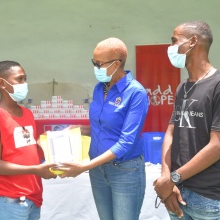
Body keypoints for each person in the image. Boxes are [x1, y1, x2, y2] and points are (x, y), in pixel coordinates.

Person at [153, 21, 220, 219]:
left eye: (174, 41)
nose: (170, 48)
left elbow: (218, 146)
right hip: (176, 192)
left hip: (207, 197)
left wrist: (174, 177)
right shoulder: (182, 88)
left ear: (193, 41)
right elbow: (171, 132)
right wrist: (167, 178)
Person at [56, 37, 149, 220]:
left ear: (117, 63)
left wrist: (84, 166)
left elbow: (126, 142)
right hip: (98, 170)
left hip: (124, 170)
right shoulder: (100, 89)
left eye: (99, 63)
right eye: (94, 62)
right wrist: (78, 130)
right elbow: (103, 127)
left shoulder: (135, 92)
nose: (96, 68)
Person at [0, 60, 57, 220]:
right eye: (20, 79)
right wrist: (35, 170)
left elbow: (29, 149)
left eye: (25, 79)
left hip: (33, 196)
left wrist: (56, 143)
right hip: (8, 199)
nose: (25, 84)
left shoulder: (27, 114)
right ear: (2, 83)